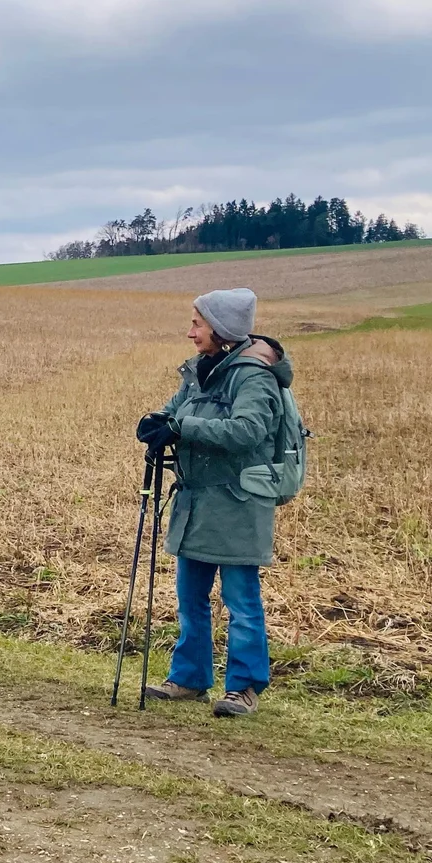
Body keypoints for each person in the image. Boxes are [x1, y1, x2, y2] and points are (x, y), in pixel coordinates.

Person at [136, 288, 290, 718]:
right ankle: (189, 678)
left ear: (221, 329)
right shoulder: (200, 370)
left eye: (197, 324)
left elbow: (248, 431)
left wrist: (181, 427)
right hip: (197, 501)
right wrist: (155, 426)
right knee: (191, 597)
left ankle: (243, 688)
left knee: (241, 601)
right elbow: (172, 414)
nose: (190, 333)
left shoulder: (254, 376)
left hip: (239, 502)